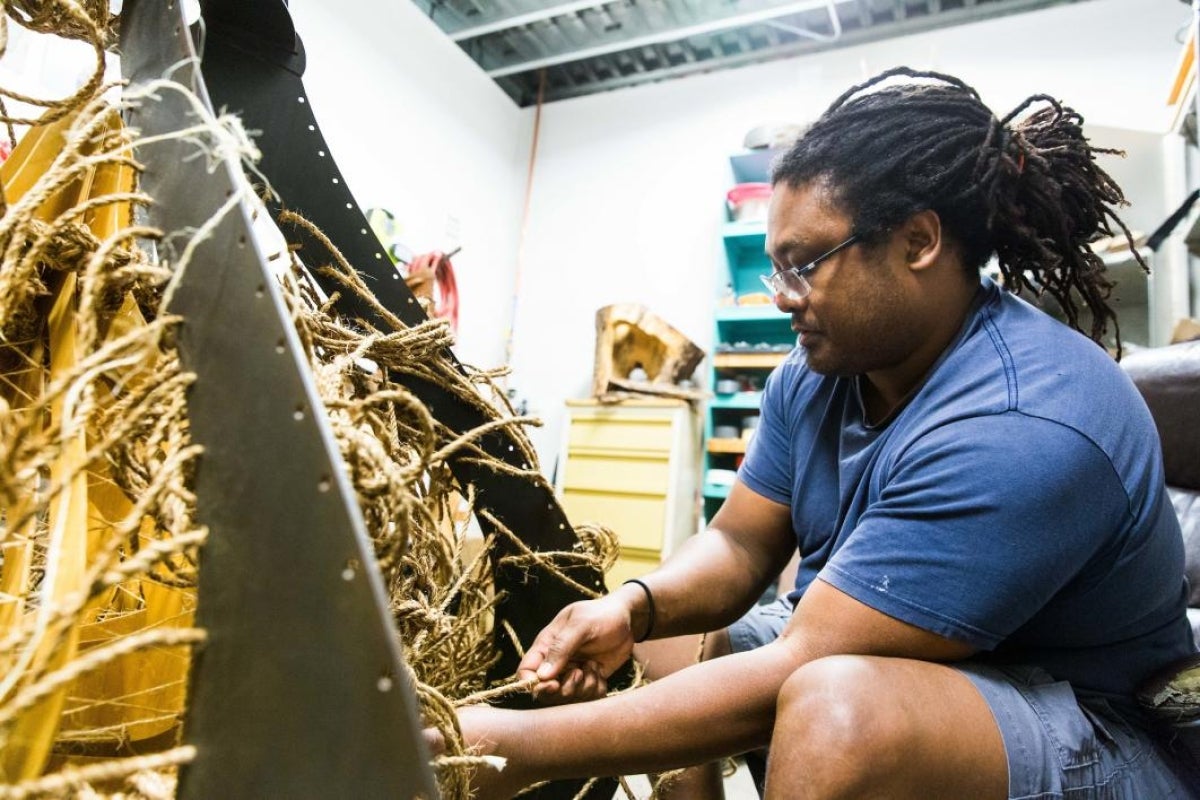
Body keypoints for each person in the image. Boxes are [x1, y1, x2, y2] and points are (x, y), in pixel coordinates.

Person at [448, 68, 1200, 799]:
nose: (783, 299)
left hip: (1099, 721)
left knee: (836, 716)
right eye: (777, 270)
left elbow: (807, 662)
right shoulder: (820, 369)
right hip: (908, 656)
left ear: (918, 242)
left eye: (804, 265)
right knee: (659, 636)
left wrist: (508, 748)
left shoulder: (1022, 420)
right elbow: (741, 545)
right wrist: (635, 606)